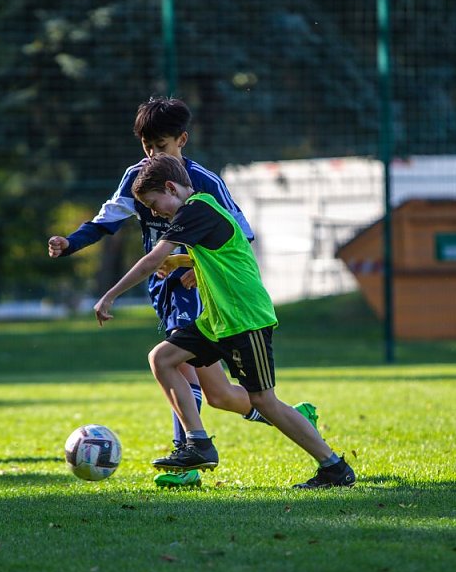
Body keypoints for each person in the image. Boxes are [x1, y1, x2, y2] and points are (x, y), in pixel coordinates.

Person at [48, 97, 318, 487]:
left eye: (161, 146)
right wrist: (70, 243)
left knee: (174, 361)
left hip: (200, 288)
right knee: (219, 394)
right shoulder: (136, 178)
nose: (153, 155)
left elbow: (240, 235)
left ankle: (189, 457)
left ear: (182, 140)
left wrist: (194, 266)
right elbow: (106, 221)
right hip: (163, 286)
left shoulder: (204, 183)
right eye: (147, 146)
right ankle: (292, 416)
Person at [94, 153, 356, 489]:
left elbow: (151, 260)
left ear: (171, 188)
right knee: (162, 358)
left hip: (245, 319)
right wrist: (182, 262)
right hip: (218, 320)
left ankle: (334, 467)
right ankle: (198, 443)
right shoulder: (199, 210)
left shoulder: (196, 210)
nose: (154, 212)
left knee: (264, 402)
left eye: (153, 204)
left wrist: (110, 295)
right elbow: (222, 253)